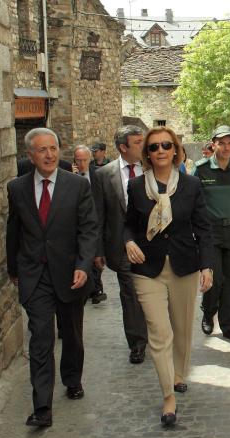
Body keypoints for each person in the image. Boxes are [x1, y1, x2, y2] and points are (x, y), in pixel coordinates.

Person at [6, 128, 99, 428]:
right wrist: (13, 270)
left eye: (53, 148)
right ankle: (42, 407)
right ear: (31, 155)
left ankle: (72, 379)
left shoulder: (76, 186)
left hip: (71, 272)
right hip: (35, 276)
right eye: (42, 150)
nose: (49, 155)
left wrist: (84, 265)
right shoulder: (17, 188)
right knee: (41, 338)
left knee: (71, 334)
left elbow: (88, 228)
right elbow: (14, 231)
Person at [124, 126, 215, 427]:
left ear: (175, 150)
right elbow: (128, 225)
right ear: (147, 155)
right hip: (147, 269)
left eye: (166, 145)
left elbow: (203, 227)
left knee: (181, 328)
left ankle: (178, 373)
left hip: (183, 265)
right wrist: (128, 241)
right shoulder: (137, 187)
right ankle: (168, 397)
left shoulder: (191, 185)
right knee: (159, 332)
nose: (160, 150)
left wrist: (207, 266)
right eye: (153, 147)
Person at [91, 126, 150, 364]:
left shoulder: (154, 168)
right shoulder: (104, 175)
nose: (143, 146)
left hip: (153, 244)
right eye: (138, 142)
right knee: (131, 294)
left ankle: (158, 336)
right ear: (123, 147)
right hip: (122, 247)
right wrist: (98, 251)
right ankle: (137, 343)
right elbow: (98, 214)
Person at [192, 125, 230, 341]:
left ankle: (228, 324)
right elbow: (193, 202)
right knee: (214, 280)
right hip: (210, 232)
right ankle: (208, 312)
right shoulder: (201, 169)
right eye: (221, 143)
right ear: (213, 144)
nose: (226, 147)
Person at [73, 145, 107, 305]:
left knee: (96, 257)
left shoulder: (98, 176)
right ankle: (91, 288)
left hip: (96, 223)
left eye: (84, 160)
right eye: (78, 160)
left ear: (89, 159)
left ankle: (96, 289)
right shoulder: (69, 178)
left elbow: (103, 203)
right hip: (78, 227)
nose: (81, 164)